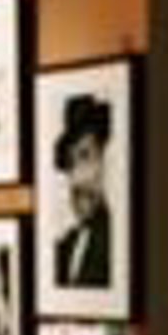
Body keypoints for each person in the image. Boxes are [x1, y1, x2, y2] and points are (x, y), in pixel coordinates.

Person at [51, 92, 114, 294]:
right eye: (70, 164)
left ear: (107, 159)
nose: (76, 179)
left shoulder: (117, 243)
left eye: (85, 156)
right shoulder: (65, 246)